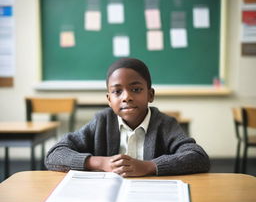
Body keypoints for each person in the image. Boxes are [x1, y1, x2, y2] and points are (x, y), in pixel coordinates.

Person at [45, 58, 210, 177]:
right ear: (109, 99)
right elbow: (54, 154)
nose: (126, 97)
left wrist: (149, 166)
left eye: (136, 89)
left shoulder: (164, 124)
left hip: (151, 197)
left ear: (150, 95)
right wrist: (101, 163)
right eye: (117, 91)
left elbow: (198, 157)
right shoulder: (101, 121)